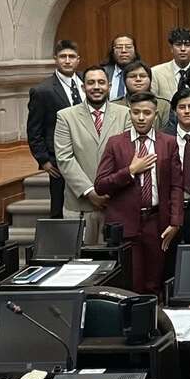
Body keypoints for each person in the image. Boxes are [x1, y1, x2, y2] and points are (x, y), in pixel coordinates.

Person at [93, 91, 183, 294]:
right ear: (130, 114)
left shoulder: (168, 143)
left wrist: (175, 221)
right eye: (136, 113)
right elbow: (100, 185)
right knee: (132, 284)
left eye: (146, 113)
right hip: (125, 224)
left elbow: (176, 185)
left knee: (154, 283)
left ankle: (153, 324)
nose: (141, 118)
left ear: (155, 114)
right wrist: (130, 171)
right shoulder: (116, 143)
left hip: (156, 222)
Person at [55, 65, 132, 244]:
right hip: (80, 206)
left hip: (114, 202)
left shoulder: (125, 114)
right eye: (91, 83)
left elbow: (127, 156)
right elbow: (65, 159)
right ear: (83, 88)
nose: (96, 87)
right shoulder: (65, 117)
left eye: (101, 82)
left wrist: (108, 189)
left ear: (109, 86)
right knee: (79, 263)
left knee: (114, 263)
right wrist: (90, 192)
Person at [27, 39, 82, 218]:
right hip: (57, 158)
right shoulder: (42, 90)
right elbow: (34, 130)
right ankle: (60, 244)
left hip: (86, 153)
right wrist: (43, 160)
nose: (67, 60)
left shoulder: (87, 83)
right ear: (55, 60)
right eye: (63, 56)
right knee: (59, 206)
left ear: (78, 60)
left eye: (71, 56)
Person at [167, 88, 190, 253]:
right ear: (174, 111)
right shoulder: (163, 139)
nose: (187, 111)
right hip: (171, 210)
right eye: (182, 107)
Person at [114, 61, 171, 129]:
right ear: (125, 81)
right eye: (133, 76)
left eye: (143, 76)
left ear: (150, 80)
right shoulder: (115, 105)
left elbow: (166, 135)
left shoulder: (163, 105)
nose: (138, 79)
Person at [151, 26, 190, 101]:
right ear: (171, 48)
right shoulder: (156, 73)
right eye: (178, 45)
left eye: (187, 45)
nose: (183, 49)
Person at [102, 34, 138, 101]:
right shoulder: (103, 72)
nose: (124, 51)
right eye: (119, 47)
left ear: (135, 51)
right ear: (112, 51)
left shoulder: (142, 73)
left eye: (128, 47)